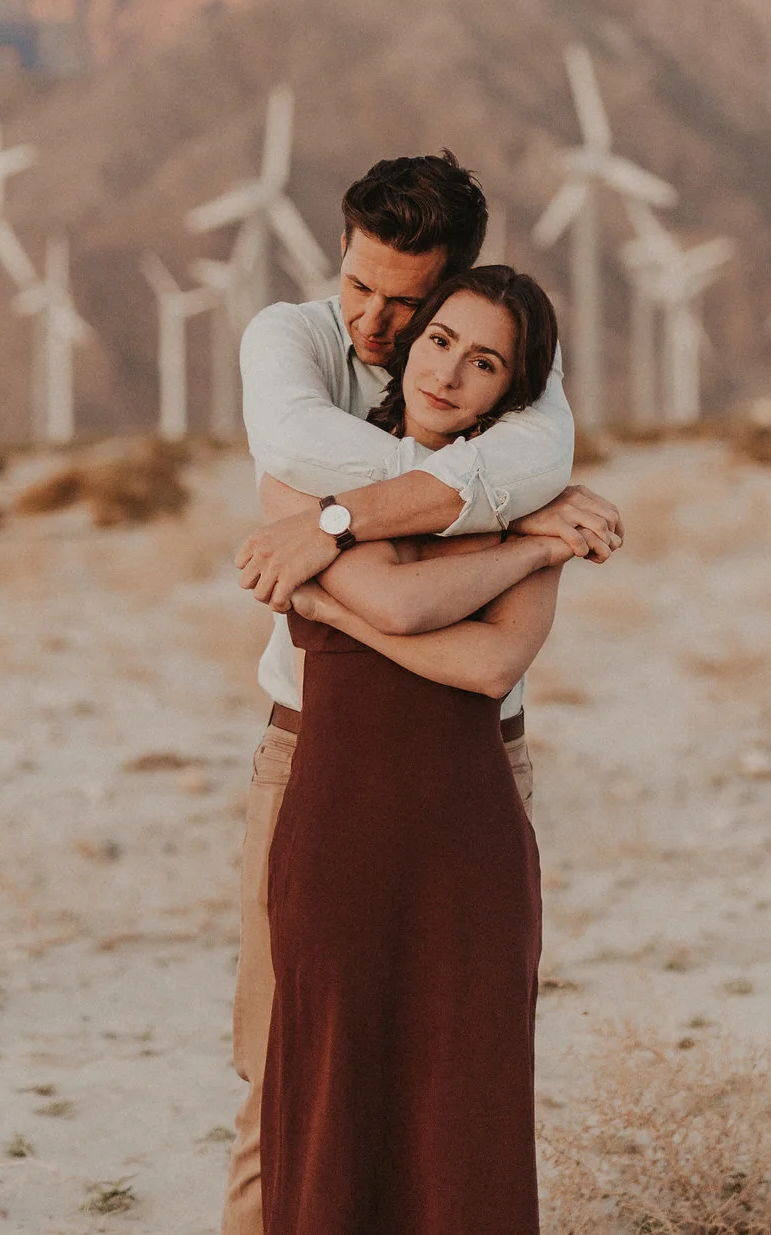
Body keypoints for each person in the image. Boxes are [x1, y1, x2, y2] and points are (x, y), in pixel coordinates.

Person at [220, 151, 622, 1234]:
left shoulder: (522, 387)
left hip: (474, 773)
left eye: (410, 305)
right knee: (281, 1079)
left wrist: (333, 549)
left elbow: (487, 649)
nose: (375, 321)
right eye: (358, 284)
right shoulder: (291, 342)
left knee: (458, 1090)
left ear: (453, 286)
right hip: (311, 758)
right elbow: (298, 454)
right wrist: (510, 516)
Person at [260, 265, 570, 1231]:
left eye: (486, 363)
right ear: (410, 341)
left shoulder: (526, 500)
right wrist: (533, 547)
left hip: (468, 844)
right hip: (335, 831)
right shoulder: (306, 478)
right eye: (440, 341)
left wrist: (325, 597)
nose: (449, 373)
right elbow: (402, 603)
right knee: (327, 1098)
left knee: (465, 1110)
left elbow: (491, 663)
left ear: (512, 391)